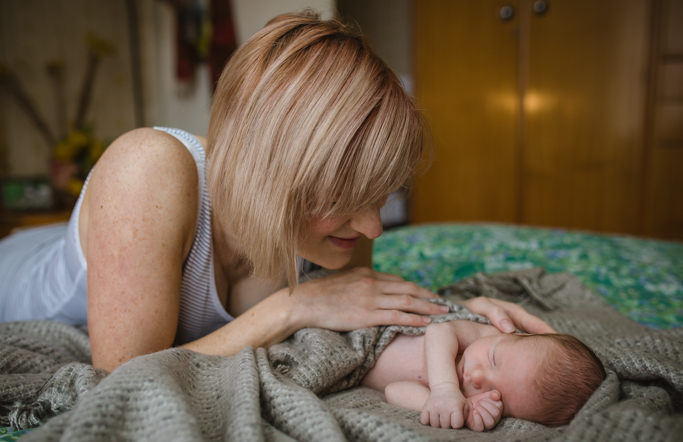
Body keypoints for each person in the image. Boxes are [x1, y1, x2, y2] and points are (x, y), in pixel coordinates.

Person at [0, 11, 554, 373]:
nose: (373, 228)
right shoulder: (148, 169)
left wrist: (469, 324)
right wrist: (295, 305)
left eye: (382, 196)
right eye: (347, 198)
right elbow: (120, 376)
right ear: (274, 172)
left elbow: (370, 312)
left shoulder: (337, 229)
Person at [361, 319, 606, 431]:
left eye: (494, 394)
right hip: (371, 326)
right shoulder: (482, 333)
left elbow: (394, 391)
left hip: (355, 360)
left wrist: (459, 408)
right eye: (493, 359)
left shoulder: (458, 398)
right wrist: (444, 388)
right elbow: (439, 331)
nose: (477, 377)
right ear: (517, 335)